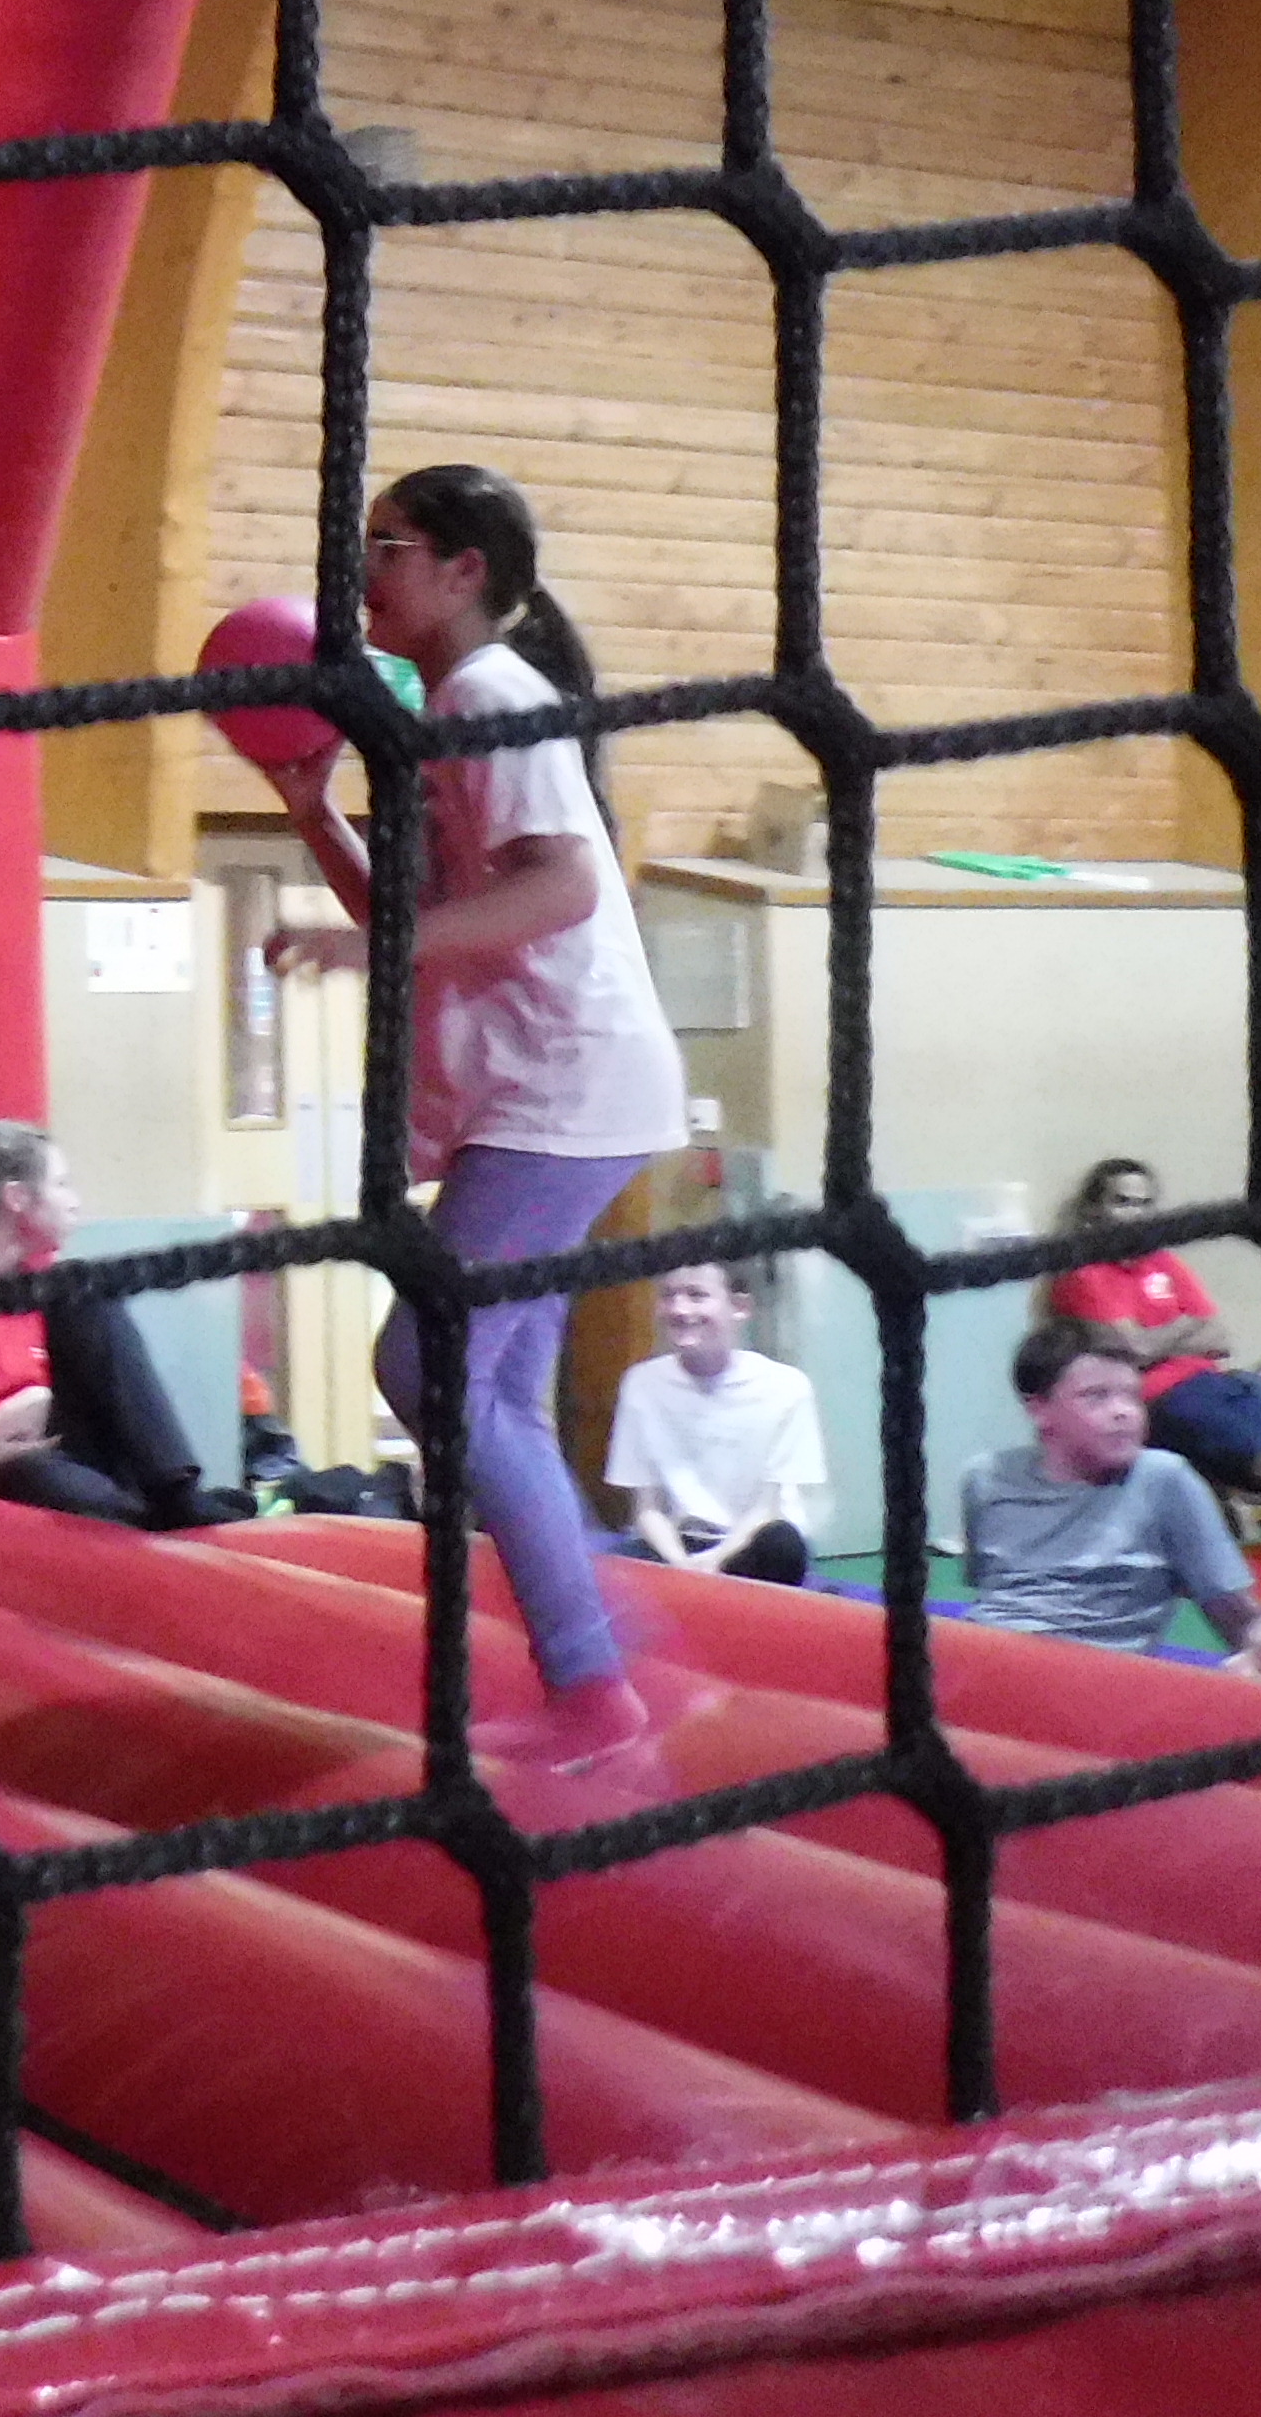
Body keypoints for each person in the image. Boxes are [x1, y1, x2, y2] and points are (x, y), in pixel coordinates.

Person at [258, 462, 687, 1769]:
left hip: (564, 1088)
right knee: (497, 1387)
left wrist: (375, 953)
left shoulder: (493, 695)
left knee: (429, 1366)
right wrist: (311, 813)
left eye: (388, 547)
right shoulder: (447, 710)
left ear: (463, 572)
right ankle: (605, 1646)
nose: (364, 572)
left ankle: (594, 1681)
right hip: (541, 1093)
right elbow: (425, 915)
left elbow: (561, 888)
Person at [0, 1123, 251, 1532]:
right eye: (62, 1185)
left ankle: (175, 1493)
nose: (75, 1203)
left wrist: (42, 1403)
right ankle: (150, 1521)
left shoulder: (50, 1286)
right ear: (16, 1197)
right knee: (41, 1475)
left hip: (61, 1438)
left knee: (85, 1290)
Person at [1047, 1157, 1261, 1545]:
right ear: (1094, 1211)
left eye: (1145, 1204)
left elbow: (1218, 1336)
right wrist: (1185, 1327)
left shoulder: (1162, 1262)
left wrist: (1160, 1337)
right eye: (1123, 1202)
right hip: (1161, 1398)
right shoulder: (1085, 1273)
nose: (1136, 1214)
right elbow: (1134, 1348)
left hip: (1214, 1385)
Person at [963, 1322, 1261, 1679]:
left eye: (1132, 1396)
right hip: (985, 1663)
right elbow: (992, 1591)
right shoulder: (987, 1478)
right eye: (1096, 1396)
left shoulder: (1162, 1480)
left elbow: (1235, 1613)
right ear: (1039, 1410)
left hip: (1092, 1681)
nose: (1123, 1412)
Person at [600, 1256, 825, 1583]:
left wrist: (715, 1562)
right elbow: (646, 1509)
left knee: (782, 1547)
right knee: (608, 1572)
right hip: (679, 1542)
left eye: (697, 1296)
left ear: (739, 1307)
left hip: (751, 1540)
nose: (679, 1310)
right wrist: (681, 1563)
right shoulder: (641, 1384)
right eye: (668, 1296)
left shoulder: (787, 1387)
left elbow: (768, 1507)